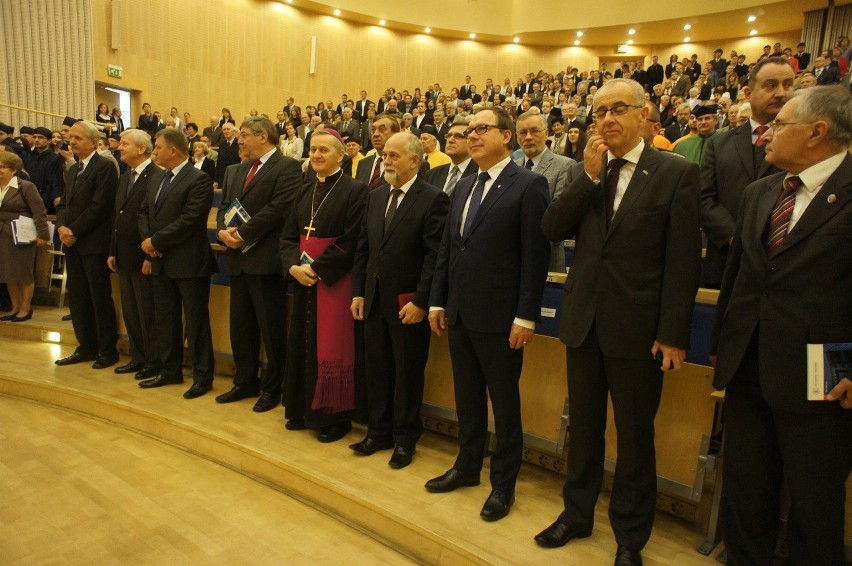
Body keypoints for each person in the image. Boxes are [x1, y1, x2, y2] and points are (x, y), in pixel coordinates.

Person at [537, 79, 701, 566]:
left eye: (618, 110)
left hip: (639, 330)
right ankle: (576, 514)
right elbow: (551, 228)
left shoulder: (675, 173)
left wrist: (673, 333)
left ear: (644, 115)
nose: (607, 119)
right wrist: (586, 181)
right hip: (584, 323)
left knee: (634, 437)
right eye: (599, 111)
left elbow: (683, 262)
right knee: (583, 428)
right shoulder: (588, 171)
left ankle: (630, 537)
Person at [710, 86, 852, 566]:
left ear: (817, 132)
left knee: (814, 502)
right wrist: (721, 350)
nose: (764, 133)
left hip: (823, 381)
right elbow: (739, 281)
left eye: (779, 124)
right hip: (749, 367)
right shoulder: (760, 192)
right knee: (746, 493)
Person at [425, 107, 550, 522]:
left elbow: (535, 256)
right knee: (468, 398)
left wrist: (526, 315)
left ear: (506, 137)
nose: (472, 135)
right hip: (459, 311)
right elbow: (448, 249)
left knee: (504, 404)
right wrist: (438, 300)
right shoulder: (462, 185)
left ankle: (503, 483)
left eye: (482, 129)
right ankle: (467, 466)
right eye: (467, 130)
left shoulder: (529, 185)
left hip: (501, 318)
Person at [350, 132, 449, 468]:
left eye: (393, 156)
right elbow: (364, 248)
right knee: (377, 370)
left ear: (415, 160)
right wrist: (359, 292)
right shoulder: (376, 196)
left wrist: (422, 301)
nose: (386, 161)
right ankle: (378, 432)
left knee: (407, 375)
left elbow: (433, 257)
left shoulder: (433, 198)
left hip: (408, 305)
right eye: (384, 156)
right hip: (375, 300)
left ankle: (405, 440)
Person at [280, 129, 368, 442]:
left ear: (340, 155)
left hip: (334, 280)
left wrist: (315, 269)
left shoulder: (355, 190)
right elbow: (288, 235)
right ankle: (304, 409)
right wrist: (293, 266)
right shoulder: (304, 190)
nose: (316, 155)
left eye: (324, 151)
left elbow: (352, 238)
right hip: (303, 277)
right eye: (313, 150)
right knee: (304, 342)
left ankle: (336, 415)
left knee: (331, 345)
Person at [215, 116, 301, 412]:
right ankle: (244, 381)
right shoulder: (234, 170)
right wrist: (223, 231)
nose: (239, 141)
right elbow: (225, 206)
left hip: (265, 259)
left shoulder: (287, 167)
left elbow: (281, 208)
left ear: (263, 136)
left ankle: (272, 386)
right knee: (241, 326)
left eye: (244, 136)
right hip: (237, 258)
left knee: (271, 327)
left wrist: (243, 233)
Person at [700, 57, 795, 288]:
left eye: (788, 84)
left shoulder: (803, 141)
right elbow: (703, 198)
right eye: (771, 85)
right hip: (725, 259)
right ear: (748, 92)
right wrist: (735, 236)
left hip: (784, 261)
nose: (781, 93)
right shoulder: (720, 144)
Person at [138, 127, 216, 400]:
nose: (153, 151)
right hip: (160, 260)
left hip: (189, 261)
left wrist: (156, 241)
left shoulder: (199, 179)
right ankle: (170, 370)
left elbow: (191, 219)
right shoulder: (157, 178)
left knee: (195, 322)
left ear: (173, 150)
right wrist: (149, 241)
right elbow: (145, 212)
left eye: (157, 147)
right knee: (166, 319)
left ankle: (202, 376)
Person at [55, 120, 120, 369]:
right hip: (71, 242)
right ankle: (86, 346)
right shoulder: (73, 169)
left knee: (98, 297)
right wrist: (61, 227)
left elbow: (100, 207)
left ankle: (106, 349)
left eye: (78, 138)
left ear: (93, 142)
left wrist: (74, 230)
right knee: (78, 297)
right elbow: (64, 204)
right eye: (71, 137)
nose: (71, 142)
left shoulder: (104, 166)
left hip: (93, 243)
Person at [108, 129, 162, 380]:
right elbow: (117, 217)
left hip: (144, 258)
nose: (119, 147)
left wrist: (149, 257)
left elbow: (155, 221)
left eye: (125, 144)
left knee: (148, 312)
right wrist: (112, 250)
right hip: (123, 256)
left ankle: (153, 360)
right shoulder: (125, 176)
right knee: (131, 311)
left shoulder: (157, 176)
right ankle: (138, 357)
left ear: (142, 149)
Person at [514, 110, 575, 273]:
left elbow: (557, 215)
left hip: (545, 259)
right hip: (510, 259)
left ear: (546, 133)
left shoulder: (566, 166)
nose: (528, 137)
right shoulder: (510, 167)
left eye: (534, 131)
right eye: (523, 132)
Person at [0, 152, 50, 322]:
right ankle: (15, 307)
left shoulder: (25, 186)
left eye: (2, 167)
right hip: (2, 234)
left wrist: (43, 235)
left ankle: (25, 308)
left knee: (22, 272)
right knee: (7, 273)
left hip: (21, 234)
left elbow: (39, 211)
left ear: (13, 170)